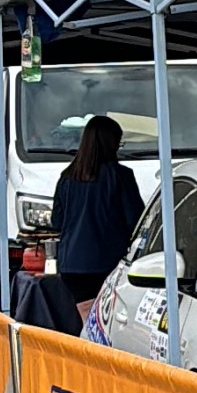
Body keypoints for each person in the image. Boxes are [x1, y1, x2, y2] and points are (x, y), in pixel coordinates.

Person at [51, 115, 143, 309]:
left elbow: (57, 221)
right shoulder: (121, 176)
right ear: (112, 143)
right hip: (107, 263)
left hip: (71, 264)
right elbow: (135, 220)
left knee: (87, 320)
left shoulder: (66, 177)